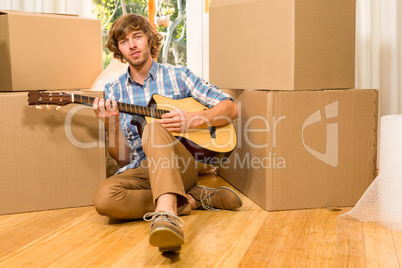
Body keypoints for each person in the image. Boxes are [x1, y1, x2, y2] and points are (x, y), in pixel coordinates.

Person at [92, 13, 242, 253]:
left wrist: (192, 119)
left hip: (181, 167)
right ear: (119, 50)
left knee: (153, 126)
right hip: (143, 170)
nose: (131, 45)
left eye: (137, 36)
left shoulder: (178, 76)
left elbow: (230, 107)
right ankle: (194, 199)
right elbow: (122, 158)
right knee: (104, 199)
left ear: (150, 39)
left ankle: (166, 215)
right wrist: (112, 124)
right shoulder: (114, 90)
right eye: (123, 41)